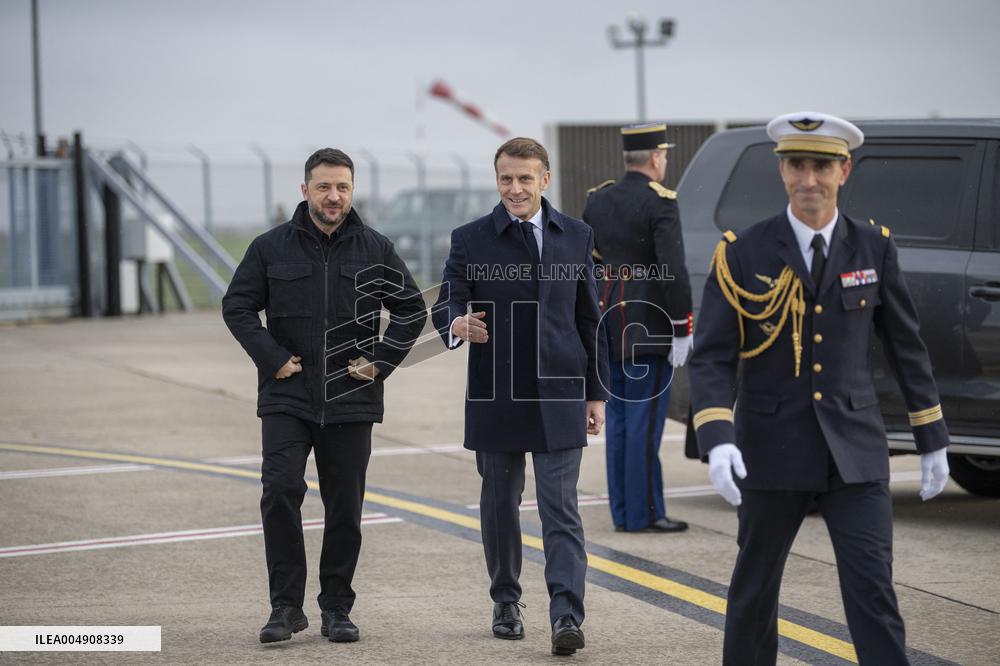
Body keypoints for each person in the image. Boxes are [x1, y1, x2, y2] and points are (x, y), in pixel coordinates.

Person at [688, 112, 950, 665]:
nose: (810, 178)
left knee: (873, 592)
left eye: (822, 165)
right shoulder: (743, 252)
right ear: (781, 170)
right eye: (797, 165)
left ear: (844, 170)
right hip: (769, 449)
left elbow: (906, 346)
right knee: (754, 594)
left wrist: (932, 436)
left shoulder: (873, 247)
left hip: (855, 453)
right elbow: (712, 356)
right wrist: (718, 437)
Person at [222, 148, 427, 645]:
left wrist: (380, 363)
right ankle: (285, 606)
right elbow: (238, 306)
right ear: (305, 190)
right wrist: (272, 358)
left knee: (344, 507)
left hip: (350, 399)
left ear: (351, 191)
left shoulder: (375, 249)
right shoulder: (270, 248)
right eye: (323, 187)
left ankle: (337, 606)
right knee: (279, 492)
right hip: (286, 397)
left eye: (342, 187)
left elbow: (411, 310)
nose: (333, 196)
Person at [431, 137, 608, 656]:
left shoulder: (576, 235)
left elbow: (588, 318)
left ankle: (566, 615)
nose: (515, 188)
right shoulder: (470, 239)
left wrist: (595, 392)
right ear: (497, 180)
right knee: (500, 506)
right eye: (506, 178)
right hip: (496, 394)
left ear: (544, 180)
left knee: (561, 509)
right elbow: (448, 301)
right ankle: (506, 600)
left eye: (525, 178)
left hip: (560, 392)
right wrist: (458, 323)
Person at [582, 123, 693, 533]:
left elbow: (590, 261)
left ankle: (625, 512)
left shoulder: (599, 199)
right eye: (663, 155)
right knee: (645, 422)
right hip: (649, 321)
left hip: (609, 318)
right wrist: (682, 326)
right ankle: (646, 514)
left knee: (622, 422)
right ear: (654, 158)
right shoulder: (661, 202)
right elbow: (673, 270)